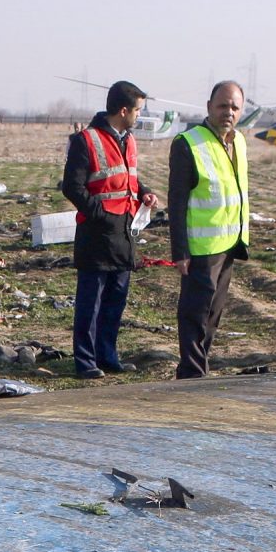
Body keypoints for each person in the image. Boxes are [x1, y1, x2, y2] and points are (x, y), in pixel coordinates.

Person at [60, 80, 160, 378]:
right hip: (97, 233)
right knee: (91, 302)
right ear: (124, 109)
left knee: (116, 300)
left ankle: (108, 356)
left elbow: (127, 177)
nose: (139, 116)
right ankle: (86, 361)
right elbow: (72, 187)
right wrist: (100, 214)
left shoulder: (128, 139)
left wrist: (144, 192)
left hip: (124, 232)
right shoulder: (85, 140)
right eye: (138, 110)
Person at [168, 81, 252, 379]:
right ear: (208, 107)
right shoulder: (187, 143)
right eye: (222, 105)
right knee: (195, 313)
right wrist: (180, 251)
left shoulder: (239, 142)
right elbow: (176, 202)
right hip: (201, 248)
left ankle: (199, 367)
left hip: (229, 242)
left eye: (234, 107)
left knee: (213, 315)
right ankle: (191, 373)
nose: (228, 112)